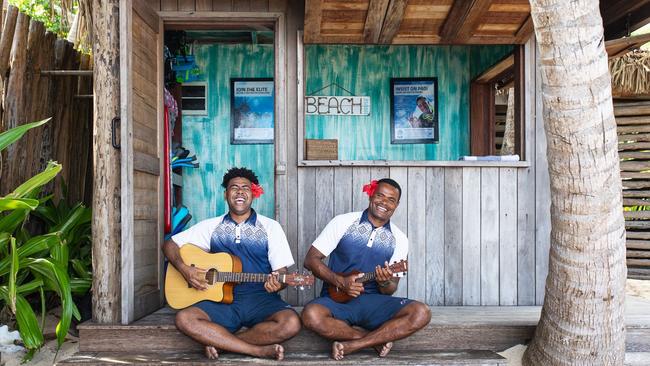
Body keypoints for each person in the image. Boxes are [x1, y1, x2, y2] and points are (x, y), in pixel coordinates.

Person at [162, 167, 300, 360]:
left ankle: (225, 343)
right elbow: (170, 244)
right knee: (185, 319)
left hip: (260, 299)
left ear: (253, 194)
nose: (240, 191)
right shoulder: (211, 226)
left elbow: (281, 272)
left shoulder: (270, 227)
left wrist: (280, 281)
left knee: (291, 323)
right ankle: (255, 350)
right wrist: (185, 269)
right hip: (220, 301)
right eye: (234, 187)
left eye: (245, 187)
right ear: (226, 194)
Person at [301, 178, 431, 360]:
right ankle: (374, 340)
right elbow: (310, 260)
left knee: (421, 312)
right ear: (371, 195)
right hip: (336, 300)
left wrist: (384, 280)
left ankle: (355, 345)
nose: (384, 203)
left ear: (397, 205)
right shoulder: (343, 222)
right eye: (380, 196)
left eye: (391, 200)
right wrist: (340, 282)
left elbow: (390, 289)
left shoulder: (400, 239)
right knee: (310, 315)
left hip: (372, 303)